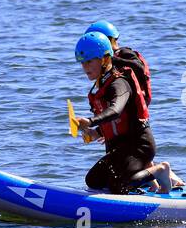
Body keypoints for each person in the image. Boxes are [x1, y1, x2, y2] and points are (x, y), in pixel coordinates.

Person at [71, 31, 180, 195]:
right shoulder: (101, 86)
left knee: (118, 186)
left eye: (89, 61)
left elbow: (116, 110)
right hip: (120, 149)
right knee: (93, 181)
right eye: (82, 62)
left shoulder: (119, 83)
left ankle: (160, 170)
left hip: (138, 146)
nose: (85, 67)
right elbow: (118, 121)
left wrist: (91, 121)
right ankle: (150, 181)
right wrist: (94, 133)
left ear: (105, 59)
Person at [85, 20, 151, 105]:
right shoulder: (104, 61)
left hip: (130, 103)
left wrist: (113, 60)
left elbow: (139, 67)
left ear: (108, 40)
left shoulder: (124, 53)